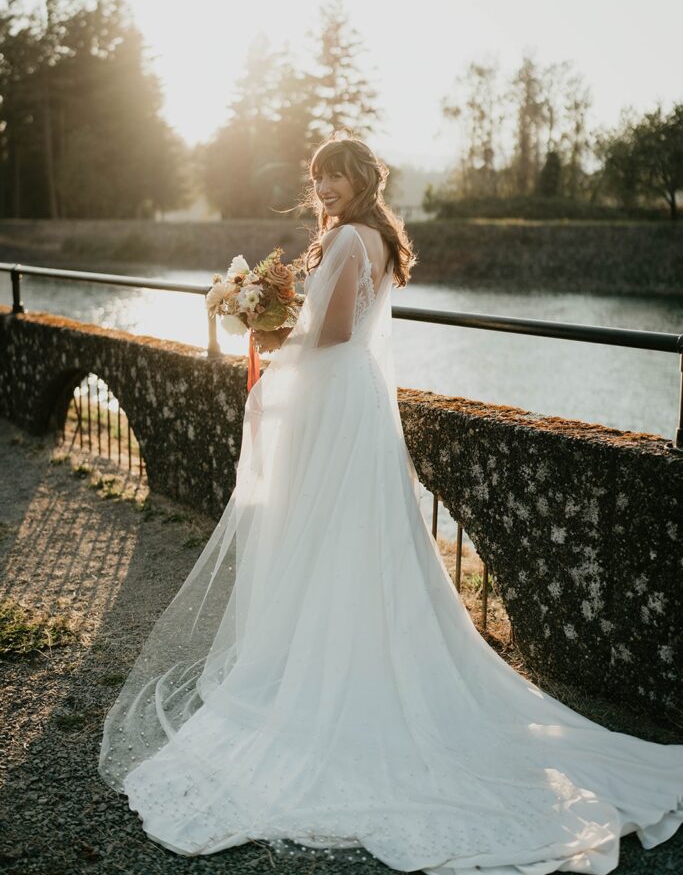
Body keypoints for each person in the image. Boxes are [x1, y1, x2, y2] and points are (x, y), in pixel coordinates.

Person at [99, 133, 683, 874]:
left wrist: (266, 328)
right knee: (351, 535)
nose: (324, 187)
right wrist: (273, 318)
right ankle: (343, 648)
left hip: (334, 394)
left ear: (361, 179)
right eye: (317, 177)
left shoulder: (347, 237)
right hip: (355, 402)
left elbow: (336, 331)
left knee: (328, 531)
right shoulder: (375, 238)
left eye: (335, 175)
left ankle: (328, 666)